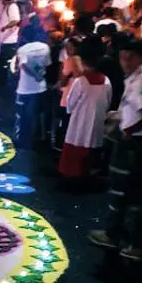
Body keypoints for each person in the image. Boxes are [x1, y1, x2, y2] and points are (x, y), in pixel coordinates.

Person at [89, 39, 142, 261]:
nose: (125, 62)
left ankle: (127, 240)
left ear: (140, 57)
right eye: (122, 57)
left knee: (128, 191)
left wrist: (128, 131)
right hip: (132, 139)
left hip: (135, 143)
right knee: (124, 189)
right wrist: (118, 117)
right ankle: (115, 234)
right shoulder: (134, 78)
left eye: (130, 57)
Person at [59, 43, 112, 182]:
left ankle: (73, 175)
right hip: (97, 120)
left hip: (79, 120)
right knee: (92, 146)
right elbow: (108, 100)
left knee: (76, 145)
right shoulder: (106, 80)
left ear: (82, 61)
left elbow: (71, 102)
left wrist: (70, 111)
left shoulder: (81, 81)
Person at [13, 22, 51, 148]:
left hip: (25, 89)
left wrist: (34, 74)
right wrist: (39, 74)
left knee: (22, 116)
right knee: (39, 115)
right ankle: (38, 140)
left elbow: (22, 65)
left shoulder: (23, 50)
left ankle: (22, 141)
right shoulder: (45, 47)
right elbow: (47, 64)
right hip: (41, 87)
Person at [0, 0, 20, 79]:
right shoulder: (6, 6)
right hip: (4, 40)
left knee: (8, 65)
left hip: (10, 41)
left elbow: (15, 21)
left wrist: (4, 28)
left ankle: (8, 82)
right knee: (3, 63)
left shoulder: (12, 7)